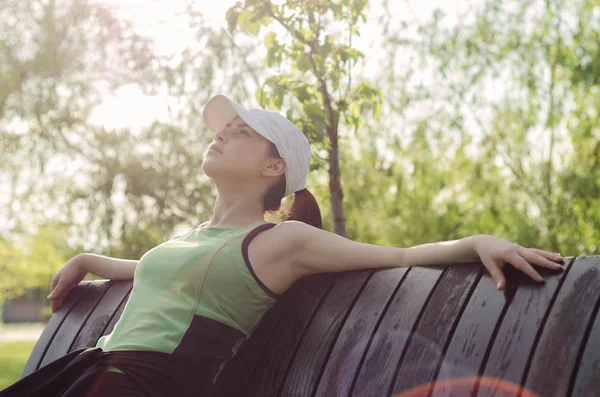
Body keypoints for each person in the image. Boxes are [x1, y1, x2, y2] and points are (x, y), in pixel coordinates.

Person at [1, 94, 564, 397]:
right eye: (222, 129)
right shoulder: (198, 238)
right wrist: (86, 260)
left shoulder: (281, 241)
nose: (220, 134)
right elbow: (150, 271)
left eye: (240, 131)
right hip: (91, 372)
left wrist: (477, 241)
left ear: (275, 166)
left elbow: (398, 256)